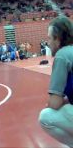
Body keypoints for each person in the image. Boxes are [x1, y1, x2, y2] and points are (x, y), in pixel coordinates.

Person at [38, 16, 73, 147]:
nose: (48, 42)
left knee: (46, 116)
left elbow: (54, 103)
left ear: (58, 39)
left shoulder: (62, 55)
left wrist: (54, 102)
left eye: (49, 38)